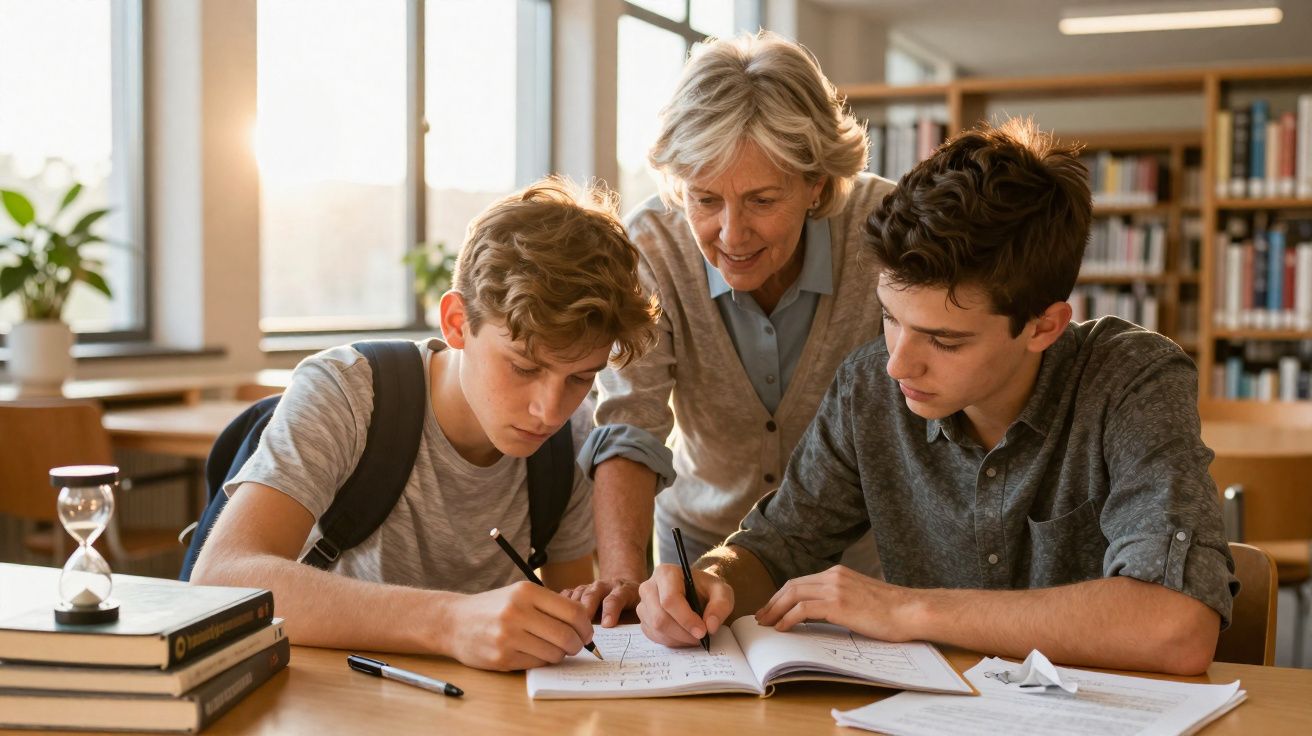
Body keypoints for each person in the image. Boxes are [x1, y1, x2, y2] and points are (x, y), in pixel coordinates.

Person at [635, 118, 1237, 676]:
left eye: (945, 340)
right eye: (891, 319)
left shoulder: (1132, 380)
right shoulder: (871, 385)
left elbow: (1176, 626)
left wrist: (910, 610)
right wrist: (711, 581)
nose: (898, 362)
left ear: (1044, 326)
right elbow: (780, 544)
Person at [191, 178, 659, 671]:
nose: (549, 410)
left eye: (580, 378)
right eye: (524, 367)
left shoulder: (574, 438)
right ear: (457, 323)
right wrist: (450, 622)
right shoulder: (348, 392)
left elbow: (574, 627)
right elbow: (220, 579)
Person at [571, 32, 895, 627]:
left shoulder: (884, 233)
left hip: (853, 570)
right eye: (705, 199)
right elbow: (630, 424)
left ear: (816, 183)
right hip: (696, 566)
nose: (732, 233)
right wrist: (621, 578)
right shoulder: (652, 247)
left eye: (763, 200)